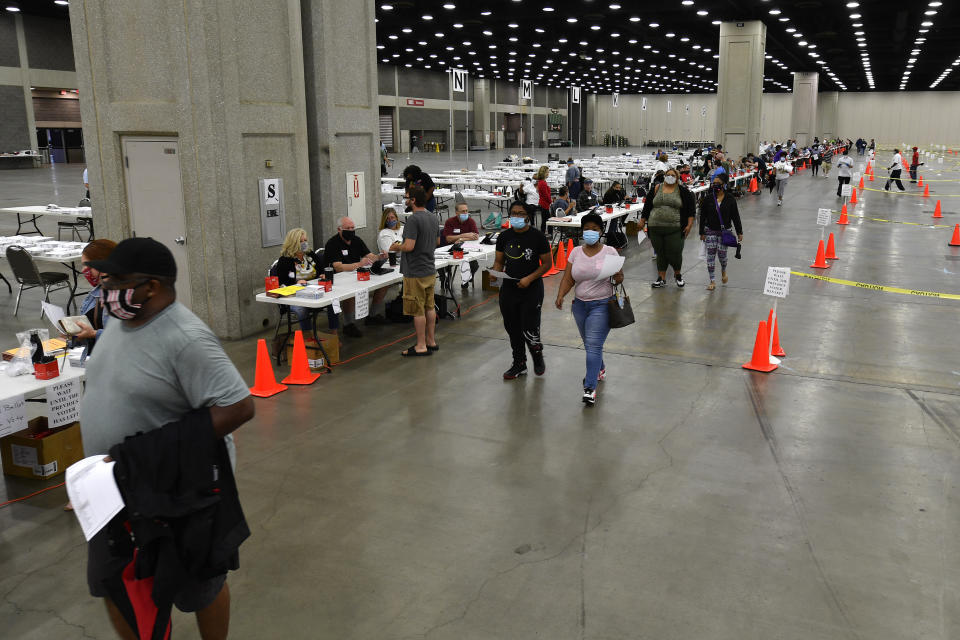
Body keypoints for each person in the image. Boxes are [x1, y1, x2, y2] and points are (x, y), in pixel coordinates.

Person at [80, 237, 254, 640]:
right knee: (116, 581)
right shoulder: (119, 323)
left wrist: (150, 453)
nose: (104, 290)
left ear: (151, 287)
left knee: (199, 585)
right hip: (112, 488)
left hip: (171, 489)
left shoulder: (186, 338)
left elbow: (239, 406)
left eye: (115, 281)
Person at [554, 212, 623, 406]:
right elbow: (568, 278)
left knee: (593, 345)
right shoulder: (575, 252)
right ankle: (600, 368)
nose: (590, 232)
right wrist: (561, 295)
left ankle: (590, 388)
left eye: (594, 229)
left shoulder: (609, 251)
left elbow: (619, 277)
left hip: (602, 304)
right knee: (590, 344)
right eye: (586, 229)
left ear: (601, 231)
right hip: (580, 306)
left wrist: (618, 278)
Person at [492, 202, 552, 379]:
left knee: (530, 327)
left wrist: (530, 278)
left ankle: (537, 354)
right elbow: (499, 261)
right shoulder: (504, 237)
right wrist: (495, 272)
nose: (516, 217)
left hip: (531, 289)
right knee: (513, 328)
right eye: (513, 213)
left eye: (520, 213)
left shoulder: (537, 237)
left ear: (528, 216)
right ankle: (519, 363)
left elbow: (547, 264)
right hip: (510, 288)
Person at [323, 217, 388, 336]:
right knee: (351, 291)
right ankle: (348, 324)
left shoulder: (356, 240)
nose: (351, 230)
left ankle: (373, 315)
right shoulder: (332, 243)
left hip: (356, 274)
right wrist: (359, 264)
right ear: (339, 229)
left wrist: (379, 257)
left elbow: (369, 255)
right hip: (339, 278)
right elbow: (338, 267)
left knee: (384, 283)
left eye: (353, 228)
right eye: (348, 228)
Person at [398, 185, 438, 356]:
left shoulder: (413, 220)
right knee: (430, 307)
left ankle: (421, 345)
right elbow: (436, 241)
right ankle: (431, 340)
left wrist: (396, 246)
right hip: (429, 268)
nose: (406, 200)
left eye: (407, 197)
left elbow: (409, 246)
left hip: (415, 271)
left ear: (413, 200)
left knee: (417, 309)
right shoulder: (433, 217)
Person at [639, 167, 695, 288]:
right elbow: (647, 206)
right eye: (667, 175)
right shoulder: (656, 189)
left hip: (675, 228)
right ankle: (661, 278)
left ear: (677, 178)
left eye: (672, 175)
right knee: (661, 253)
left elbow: (691, 210)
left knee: (674, 252)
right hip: (655, 227)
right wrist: (642, 220)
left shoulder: (682, 191)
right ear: (664, 176)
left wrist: (689, 225)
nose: (670, 177)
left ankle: (678, 275)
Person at [699, 173, 743, 291]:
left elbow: (735, 216)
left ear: (724, 184)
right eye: (714, 183)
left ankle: (723, 270)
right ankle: (712, 280)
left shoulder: (730, 199)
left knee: (722, 257)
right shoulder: (708, 198)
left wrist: (739, 231)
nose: (715, 185)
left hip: (725, 232)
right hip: (710, 231)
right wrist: (701, 232)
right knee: (710, 257)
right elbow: (702, 216)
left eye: (718, 183)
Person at [276, 227, 322, 336]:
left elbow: (321, 269)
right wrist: (296, 284)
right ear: (293, 243)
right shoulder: (284, 260)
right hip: (294, 295)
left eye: (305, 240)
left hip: (313, 290)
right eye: (301, 241)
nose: (304, 243)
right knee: (301, 308)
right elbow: (282, 283)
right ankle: (308, 336)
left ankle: (334, 333)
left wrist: (322, 274)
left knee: (333, 301)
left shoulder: (310, 254)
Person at [441, 202, 481, 288]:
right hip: (452, 249)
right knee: (462, 261)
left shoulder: (470, 221)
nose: (465, 213)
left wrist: (461, 239)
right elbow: (448, 239)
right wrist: (464, 235)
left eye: (466, 211)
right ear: (457, 212)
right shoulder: (450, 222)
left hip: (466, 248)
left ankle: (466, 279)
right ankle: (449, 279)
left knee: (474, 264)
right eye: (463, 211)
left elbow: (476, 236)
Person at [535, 165, 552, 233]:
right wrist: (550, 201)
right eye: (547, 172)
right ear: (543, 173)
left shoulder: (542, 182)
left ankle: (543, 234)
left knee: (545, 221)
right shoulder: (542, 183)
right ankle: (549, 234)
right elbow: (546, 195)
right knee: (548, 221)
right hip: (544, 204)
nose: (548, 174)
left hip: (544, 203)